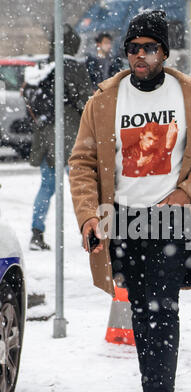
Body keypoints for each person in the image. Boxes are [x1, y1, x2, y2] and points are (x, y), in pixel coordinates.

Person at [69, 10, 191, 392]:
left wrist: (188, 191)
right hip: (121, 221)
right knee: (142, 313)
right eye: (133, 48)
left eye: (149, 48)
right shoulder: (103, 100)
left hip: (172, 220)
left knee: (163, 310)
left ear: (164, 52)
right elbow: (82, 162)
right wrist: (88, 215)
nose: (139, 56)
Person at [27, 24, 92, 250]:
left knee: (47, 187)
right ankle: (89, 231)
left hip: (45, 137)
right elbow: (87, 102)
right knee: (81, 187)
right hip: (71, 136)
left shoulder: (44, 66)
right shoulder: (73, 67)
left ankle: (36, 232)